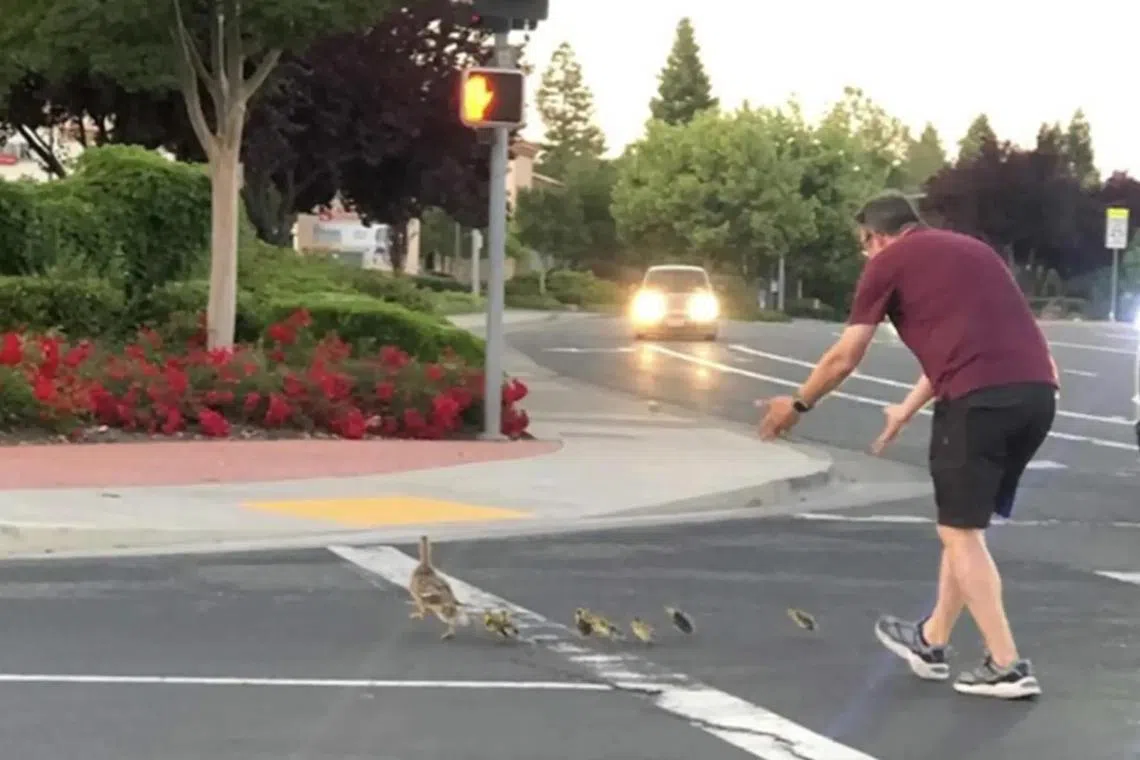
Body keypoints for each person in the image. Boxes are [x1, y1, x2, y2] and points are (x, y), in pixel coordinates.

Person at [758, 192, 1058, 700]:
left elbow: (845, 356)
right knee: (964, 527)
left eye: (863, 245)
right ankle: (931, 639)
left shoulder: (888, 263)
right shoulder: (973, 251)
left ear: (876, 235)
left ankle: (1006, 664)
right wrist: (906, 407)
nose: (865, 255)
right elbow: (972, 344)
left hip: (978, 404)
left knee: (960, 534)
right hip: (1036, 396)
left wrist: (799, 404)